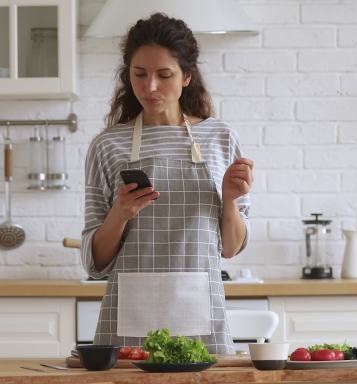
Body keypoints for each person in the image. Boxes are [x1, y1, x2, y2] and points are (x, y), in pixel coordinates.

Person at [81, 13, 253, 355]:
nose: (150, 87)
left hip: (202, 314)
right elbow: (94, 263)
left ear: (187, 76)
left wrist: (230, 200)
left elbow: (231, 249)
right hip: (128, 319)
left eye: (164, 75)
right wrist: (120, 214)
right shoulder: (108, 145)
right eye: (139, 75)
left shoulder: (219, 138)